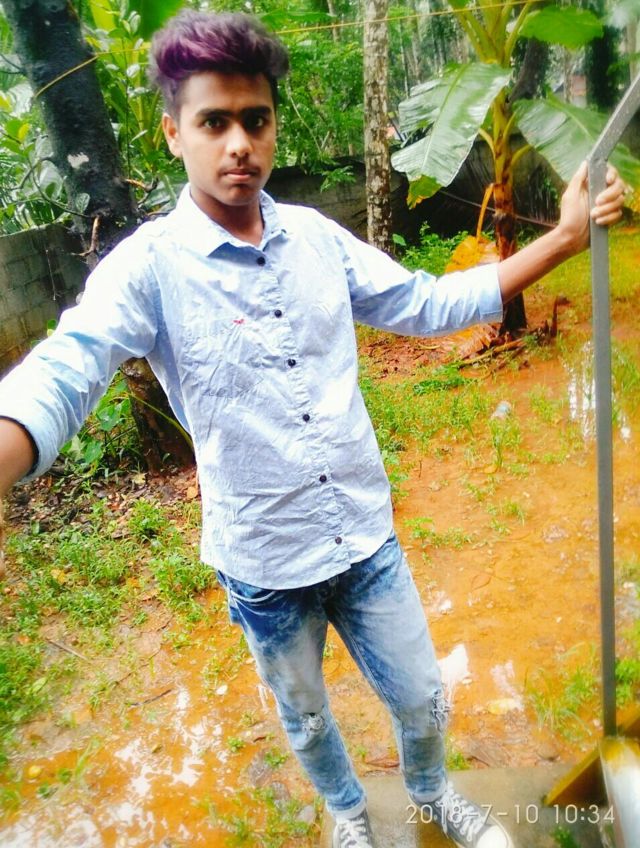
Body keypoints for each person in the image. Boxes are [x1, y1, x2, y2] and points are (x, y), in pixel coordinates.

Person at [0, 10, 625, 848]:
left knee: (422, 696)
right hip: (264, 564)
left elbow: (427, 303)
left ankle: (432, 792)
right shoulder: (147, 269)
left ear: (272, 125)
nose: (239, 145)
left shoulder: (317, 240)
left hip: (364, 538)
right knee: (304, 715)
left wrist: (566, 238)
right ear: (173, 132)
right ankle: (347, 811)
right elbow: (68, 366)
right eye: (213, 122)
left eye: (255, 119)